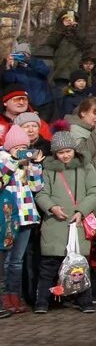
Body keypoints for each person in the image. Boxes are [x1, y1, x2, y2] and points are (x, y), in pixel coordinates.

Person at [33, 131, 96, 314]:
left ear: (74, 150)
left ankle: (84, 301)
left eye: (68, 151)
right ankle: (42, 302)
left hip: (77, 224)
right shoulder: (47, 169)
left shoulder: (86, 167)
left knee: (79, 266)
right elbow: (41, 193)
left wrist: (82, 211)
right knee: (49, 266)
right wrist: (52, 207)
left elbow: (95, 190)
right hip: (55, 223)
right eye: (61, 152)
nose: (65, 155)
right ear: (55, 153)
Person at [1, 124, 43, 315]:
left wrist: (34, 165)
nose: (21, 151)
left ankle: (15, 295)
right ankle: (5, 297)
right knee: (7, 260)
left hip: (26, 216)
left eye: (24, 148)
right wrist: (14, 162)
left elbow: (36, 187)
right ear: (10, 147)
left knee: (17, 261)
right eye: (17, 148)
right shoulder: (3, 160)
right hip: (8, 217)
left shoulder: (27, 163)